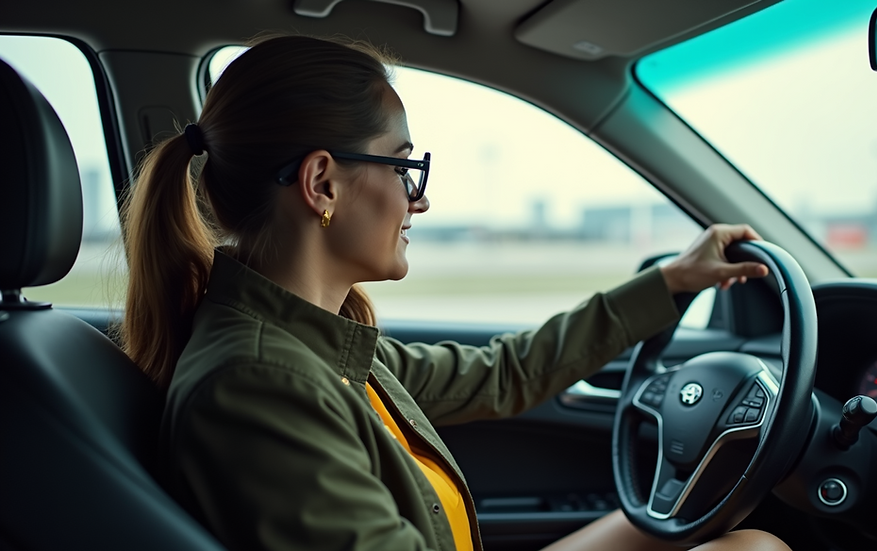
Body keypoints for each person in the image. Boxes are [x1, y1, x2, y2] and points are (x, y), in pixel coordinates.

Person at [120, 34, 787, 551]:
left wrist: (669, 282)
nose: (423, 198)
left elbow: (506, 371)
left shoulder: (318, 344)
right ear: (322, 183)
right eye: (405, 166)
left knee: (665, 517)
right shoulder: (261, 384)